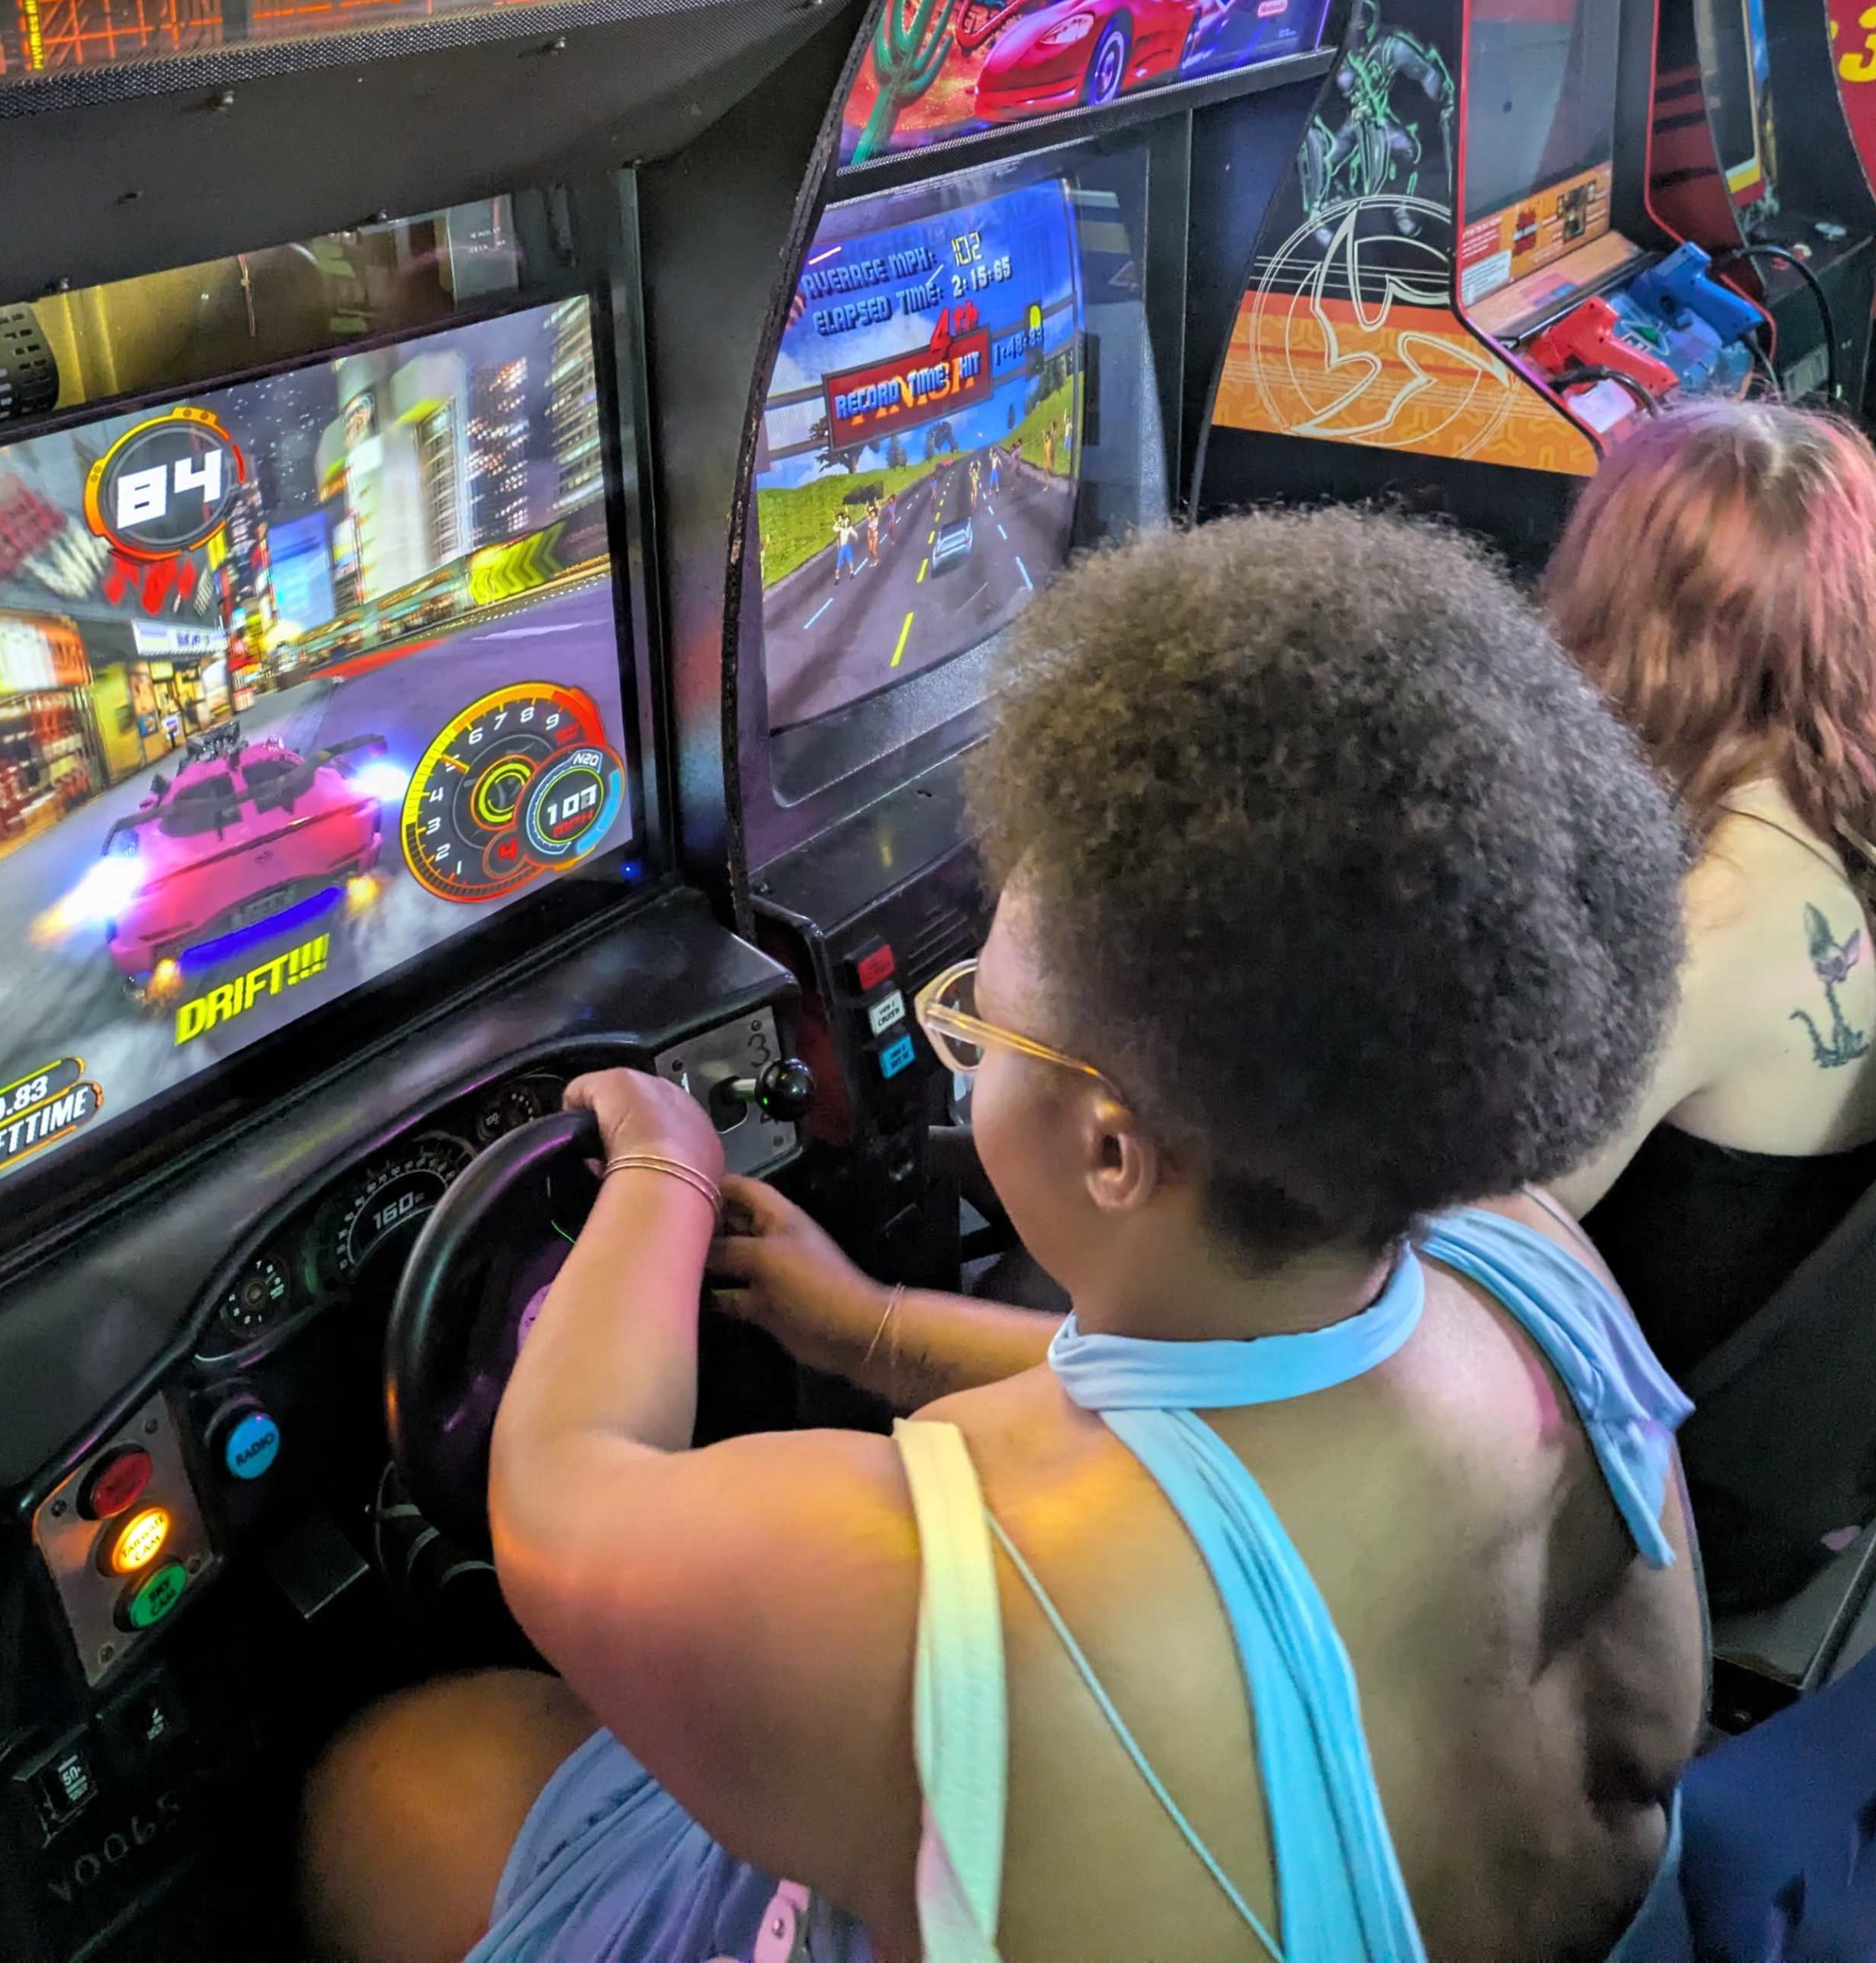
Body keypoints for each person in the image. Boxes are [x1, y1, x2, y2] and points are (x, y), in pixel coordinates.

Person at [300, 510, 1704, 1963]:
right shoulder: (1528, 1255)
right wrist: (874, 1329)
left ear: (1111, 1145)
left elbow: (556, 1502)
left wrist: (663, 1154)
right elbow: (1249, 1419)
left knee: (388, 1783)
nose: (965, 1054)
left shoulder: (961, 1600)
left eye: (980, 1013)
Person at [1539, 399, 1876, 1379]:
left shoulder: (1709, 921)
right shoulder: (1871, 797)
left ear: (1613, 603)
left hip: (1663, 1436)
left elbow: (1477, 1228)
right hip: (1800, 1362)